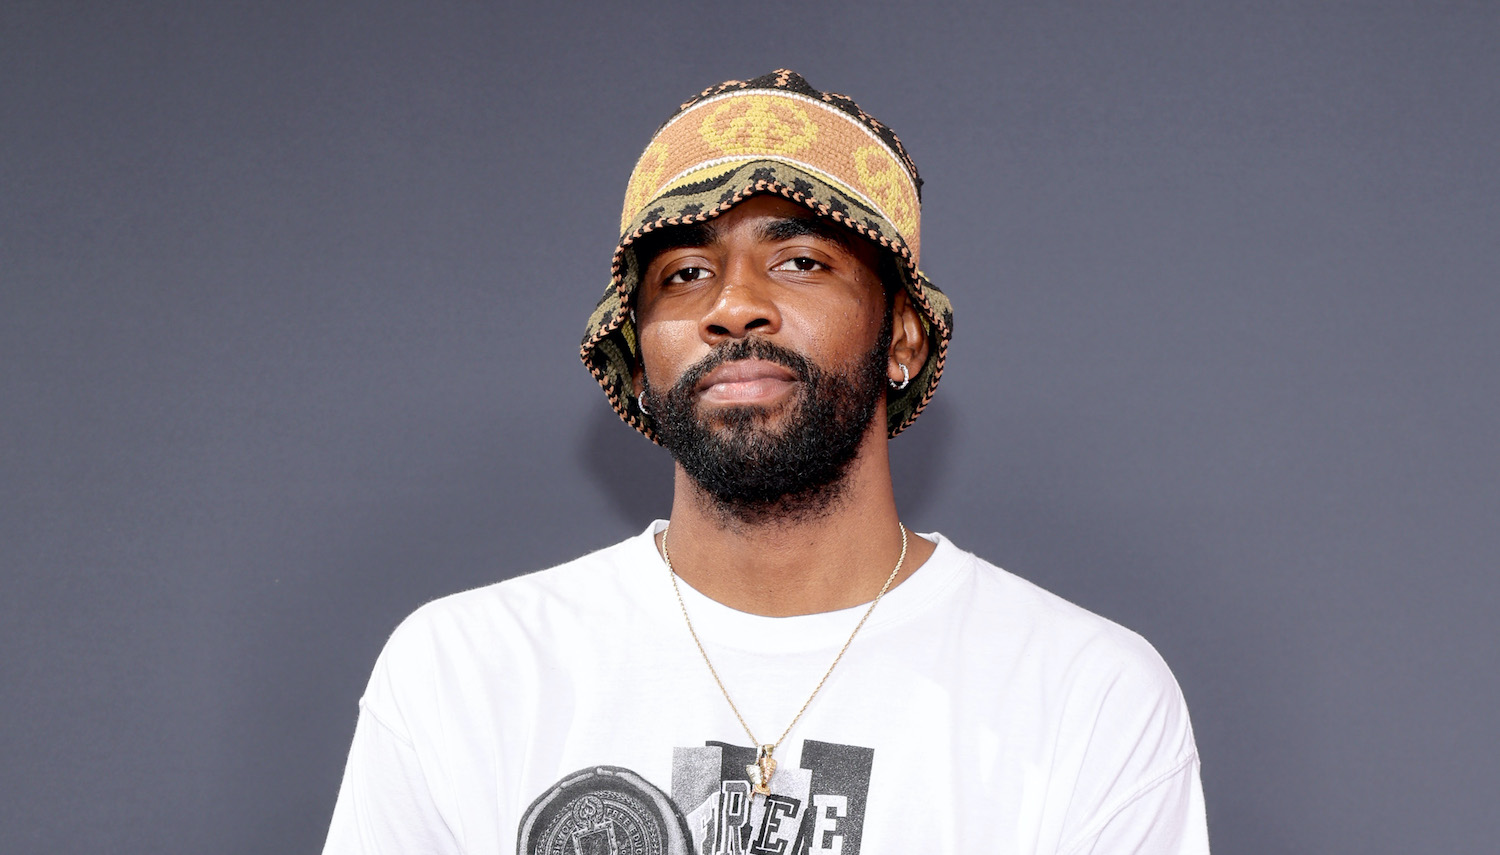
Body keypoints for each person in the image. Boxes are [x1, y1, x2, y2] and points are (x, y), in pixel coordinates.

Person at [324, 69, 1210, 855]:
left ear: (901, 333)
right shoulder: (465, 672)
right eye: (683, 273)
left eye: (797, 260)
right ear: (636, 349)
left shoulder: (1086, 697)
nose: (735, 305)